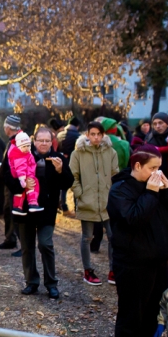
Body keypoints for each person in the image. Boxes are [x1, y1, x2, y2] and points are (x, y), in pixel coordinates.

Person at [107, 145, 168, 337]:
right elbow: (133, 218)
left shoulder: (157, 186)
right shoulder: (120, 189)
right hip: (132, 263)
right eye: (152, 168)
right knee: (132, 313)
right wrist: (150, 193)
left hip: (158, 262)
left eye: (159, 168)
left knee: (153, 312)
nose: (156, 173)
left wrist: (167, 190)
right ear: (137, 166)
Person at [3, 127, 73, 299]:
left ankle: (51, 283)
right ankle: (31, 282)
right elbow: (6, 176)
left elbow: (68, 183)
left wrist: (60, 171)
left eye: (47, 141)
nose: (43, 143)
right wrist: (22, 184)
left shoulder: (58, 158)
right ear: (34, 141)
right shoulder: (22, 154)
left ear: (51, 142)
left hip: (47, 209)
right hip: (25, 209)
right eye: (40, 140)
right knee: (27, 247)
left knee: (45, 244)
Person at [70, 122, 118, 285]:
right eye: (93, 134)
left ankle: (113, 270)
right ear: (87, 135)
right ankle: (88, 270)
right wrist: (80, 194)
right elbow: (73, 176)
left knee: (113, 236)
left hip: (107, 202)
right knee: (87, 237)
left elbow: (115, 174)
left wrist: (113, 194)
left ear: (103, 135)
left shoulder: (111, 152)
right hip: (87, 202)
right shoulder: (78, 153)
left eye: (99, 134)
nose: (96, 137)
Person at [0, 115, 23, 253]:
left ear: (8, 128)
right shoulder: (12, 140)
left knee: (16, 213)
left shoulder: (20, 141)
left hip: (16, 184)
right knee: (8, 211)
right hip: (10, 184)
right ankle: (10, 239)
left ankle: (24, 246)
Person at [7, 131, 43, 215]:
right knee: (34, 184)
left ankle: (18, 207)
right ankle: (32, 202)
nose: (26, 148)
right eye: (24, 146)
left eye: (28, 146)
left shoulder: (24, 153)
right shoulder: (20, 156)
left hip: (26, 174)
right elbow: (20, 168)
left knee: (22, 192)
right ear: (19, 146)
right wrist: (22, 179)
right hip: (25, 175)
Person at [58, 117, 81, 217]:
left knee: (63, 186)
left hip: (62, 162)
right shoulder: (78, 136)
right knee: (75, 184)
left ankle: (64, 207)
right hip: (74, 163)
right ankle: (77, 208)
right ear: (77, 126)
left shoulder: (59, 135)